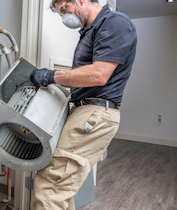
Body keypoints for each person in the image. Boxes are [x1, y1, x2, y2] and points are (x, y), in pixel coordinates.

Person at [29, 0, 137, 209]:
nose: (63, 16)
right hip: (85, 111)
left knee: (49, 186)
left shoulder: (114, 22)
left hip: (94, 113)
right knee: (62, 188)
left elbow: (98, 75)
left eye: (63, 9)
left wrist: (51, 76)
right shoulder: (91, 30)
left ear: (79, 1)